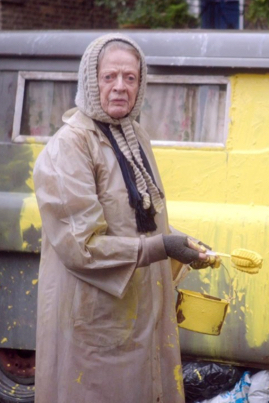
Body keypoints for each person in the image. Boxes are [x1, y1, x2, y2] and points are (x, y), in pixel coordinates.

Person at [33, 33, 218, 403]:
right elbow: (82, 248)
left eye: (130, 78)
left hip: (139, 318)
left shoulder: (134, 136)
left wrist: (182, 246)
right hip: (94, 321)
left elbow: (141, 222)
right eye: (109, 77)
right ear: (91, 80)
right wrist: (163, 247)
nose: (120, 87)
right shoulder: (69, 147)